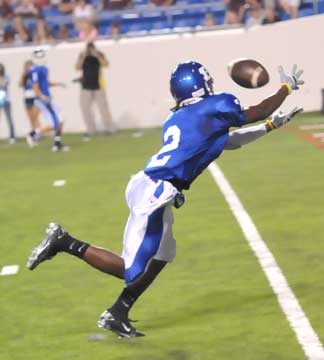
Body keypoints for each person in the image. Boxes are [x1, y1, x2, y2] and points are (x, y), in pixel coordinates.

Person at [27, 61, 304, 337]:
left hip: (153, 185)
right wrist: (285, 88)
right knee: (129, 269)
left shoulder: (178, 118)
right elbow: (258, 110)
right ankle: (64, 241)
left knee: (164, 253)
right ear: (200, 85)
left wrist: (269, 126)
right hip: (158, 191)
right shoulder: (216, 105)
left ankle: (118, 312)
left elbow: (229, 141)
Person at [26, 48, 69, 151]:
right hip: (42, 100)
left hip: (46, 98)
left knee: (61, 119)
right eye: (40, 56)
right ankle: (33, 134)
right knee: (55, 123)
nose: (42, 58)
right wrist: (43, 97)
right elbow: (35, 88)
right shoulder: (34, 70)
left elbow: (45, 83)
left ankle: (57, 143)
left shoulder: (44, 69)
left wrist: (58, 84)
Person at [75, 41, 116, 139]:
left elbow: (106, 64)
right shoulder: (82, 55)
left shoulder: (99, 54)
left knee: (103, 108)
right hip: (86, 86)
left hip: (99, 86)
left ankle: (109, 128)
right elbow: (77, 67)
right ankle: (90, 130)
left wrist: (97, 55)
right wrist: (84, 56)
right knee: (85, 109)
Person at [19, 60, 40, 147]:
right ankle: (33, 135)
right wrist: (23, 74)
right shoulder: (25, 76)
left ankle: (36, 135)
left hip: (35, 98)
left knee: (35, 118)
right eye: (27, 67)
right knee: (31, 118)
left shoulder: (35, 75)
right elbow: (20, 84)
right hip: (27, 98)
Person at [0, 63, 15, 144]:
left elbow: (4, 85)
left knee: (9, 119)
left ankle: (12, 137)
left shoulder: (6, 77)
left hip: (5, 100)